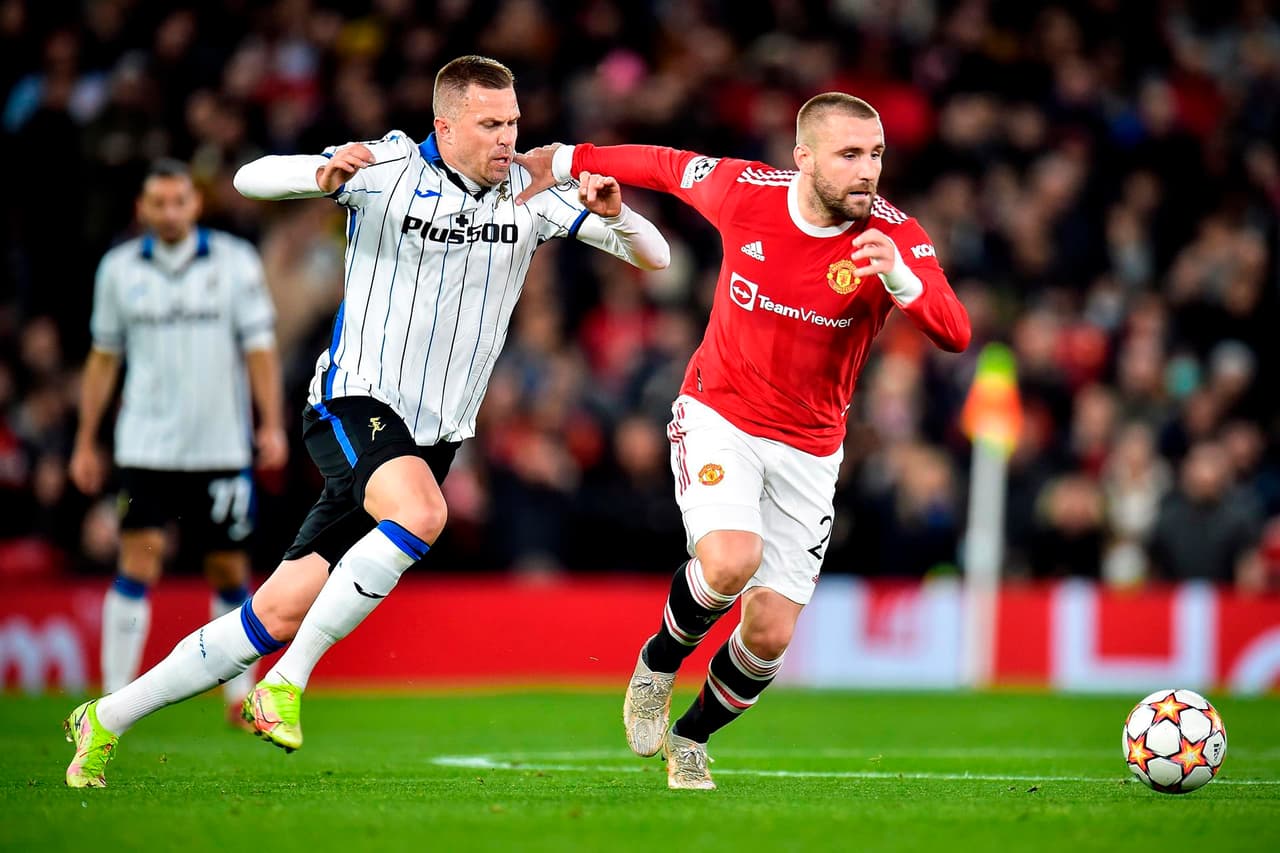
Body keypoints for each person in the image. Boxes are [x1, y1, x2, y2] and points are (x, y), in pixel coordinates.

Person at [62, 55, 669, 788]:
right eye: (490, 124)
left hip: (434, 434)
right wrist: (317, 175)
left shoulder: (532, 195)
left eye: (513, 122)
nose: (508, 137)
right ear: (444, 125)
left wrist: (618, 214)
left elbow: (656, 258)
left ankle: (105, 717)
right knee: (422, 512)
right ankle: (287, 683)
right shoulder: (385, 168)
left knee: (276, 609)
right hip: (354, 402)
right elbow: (249, 178)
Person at [515, 92, 971, 790]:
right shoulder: (746, 192)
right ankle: (658, 663)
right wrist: (569, 157)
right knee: (730, 560)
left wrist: (906, 282)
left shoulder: (894, 236)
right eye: (850, 154)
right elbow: (666, 166)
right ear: (805, 158)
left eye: (876, 154)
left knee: (769, 635)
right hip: (719, 414)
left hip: (813, 449)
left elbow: (956, 331)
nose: (868, 170)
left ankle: (692, 737)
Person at [68, 159, 287, 725]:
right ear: (142, 209)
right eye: (158, 203)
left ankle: (240, 699)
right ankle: (113, 696)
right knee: (138, 562)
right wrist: (86, 441)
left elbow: (259, 347)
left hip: (220, 446)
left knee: (227, 569)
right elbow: (103, 357)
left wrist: (270, 424)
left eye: (179, 201)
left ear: (196, 204)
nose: (169, 212)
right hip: (146, 446)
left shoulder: (235, 261)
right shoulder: (118, 270)